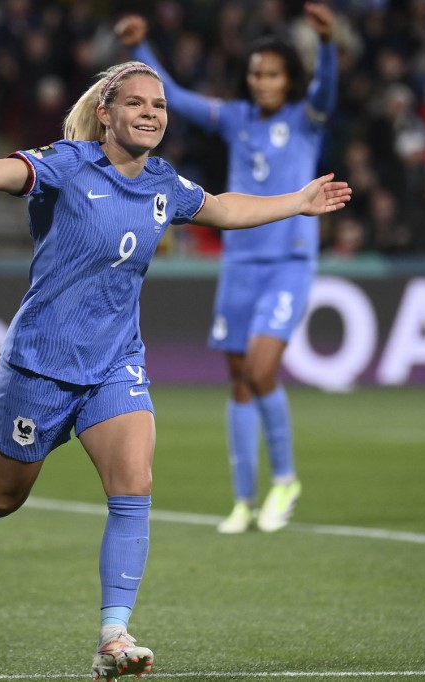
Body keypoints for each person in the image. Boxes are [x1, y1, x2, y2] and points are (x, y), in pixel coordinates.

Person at [0, 60, 350, 681]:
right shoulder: (66, 163)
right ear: (106, 114)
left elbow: (224, 208)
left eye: (161, 106)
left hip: (116, 362)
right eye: (138, 104)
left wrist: (298, 201)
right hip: (39, 365)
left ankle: (112, 635)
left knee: (134, 484)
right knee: (2, 495)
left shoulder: (164, 184)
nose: (152, 114)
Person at [117, 2, 339, 534]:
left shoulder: (305, 121)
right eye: (256, 74)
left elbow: (327, 91)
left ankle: (284, 479)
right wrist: (138, 50)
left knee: (263, 370)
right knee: (239, 380)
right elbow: (179, 97)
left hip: (287, 261)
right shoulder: (236, 119)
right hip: (240, 264)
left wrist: (329, 46)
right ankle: (243, 499)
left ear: (290, 80)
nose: (262, 82)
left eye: (272, 75)